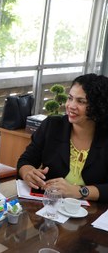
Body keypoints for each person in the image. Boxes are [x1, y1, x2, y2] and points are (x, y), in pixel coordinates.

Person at [17, 73, 108, 202]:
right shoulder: (52, 125)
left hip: (93, 215)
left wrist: (79, 191)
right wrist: (27, 172)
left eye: (81, 101)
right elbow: (25, 160)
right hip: (51, 207)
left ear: (99, 106)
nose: (71, 106)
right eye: (70, 98)